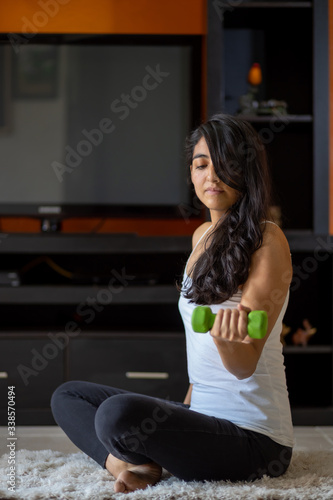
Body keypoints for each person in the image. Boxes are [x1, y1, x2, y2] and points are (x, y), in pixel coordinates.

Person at [51, 114, 294, 494]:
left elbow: (245, 366)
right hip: (204, 419)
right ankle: (133, 464)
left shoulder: (268, 239)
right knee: (69, 396)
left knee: (117, 415)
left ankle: (144, 460)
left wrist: (228, 341)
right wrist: (180, 416)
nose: (210, 176)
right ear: (191, 173)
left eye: (224, 164)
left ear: (246, 171)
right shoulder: (202, 236)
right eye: (201, 165)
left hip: (255, 441)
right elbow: (201, 368)